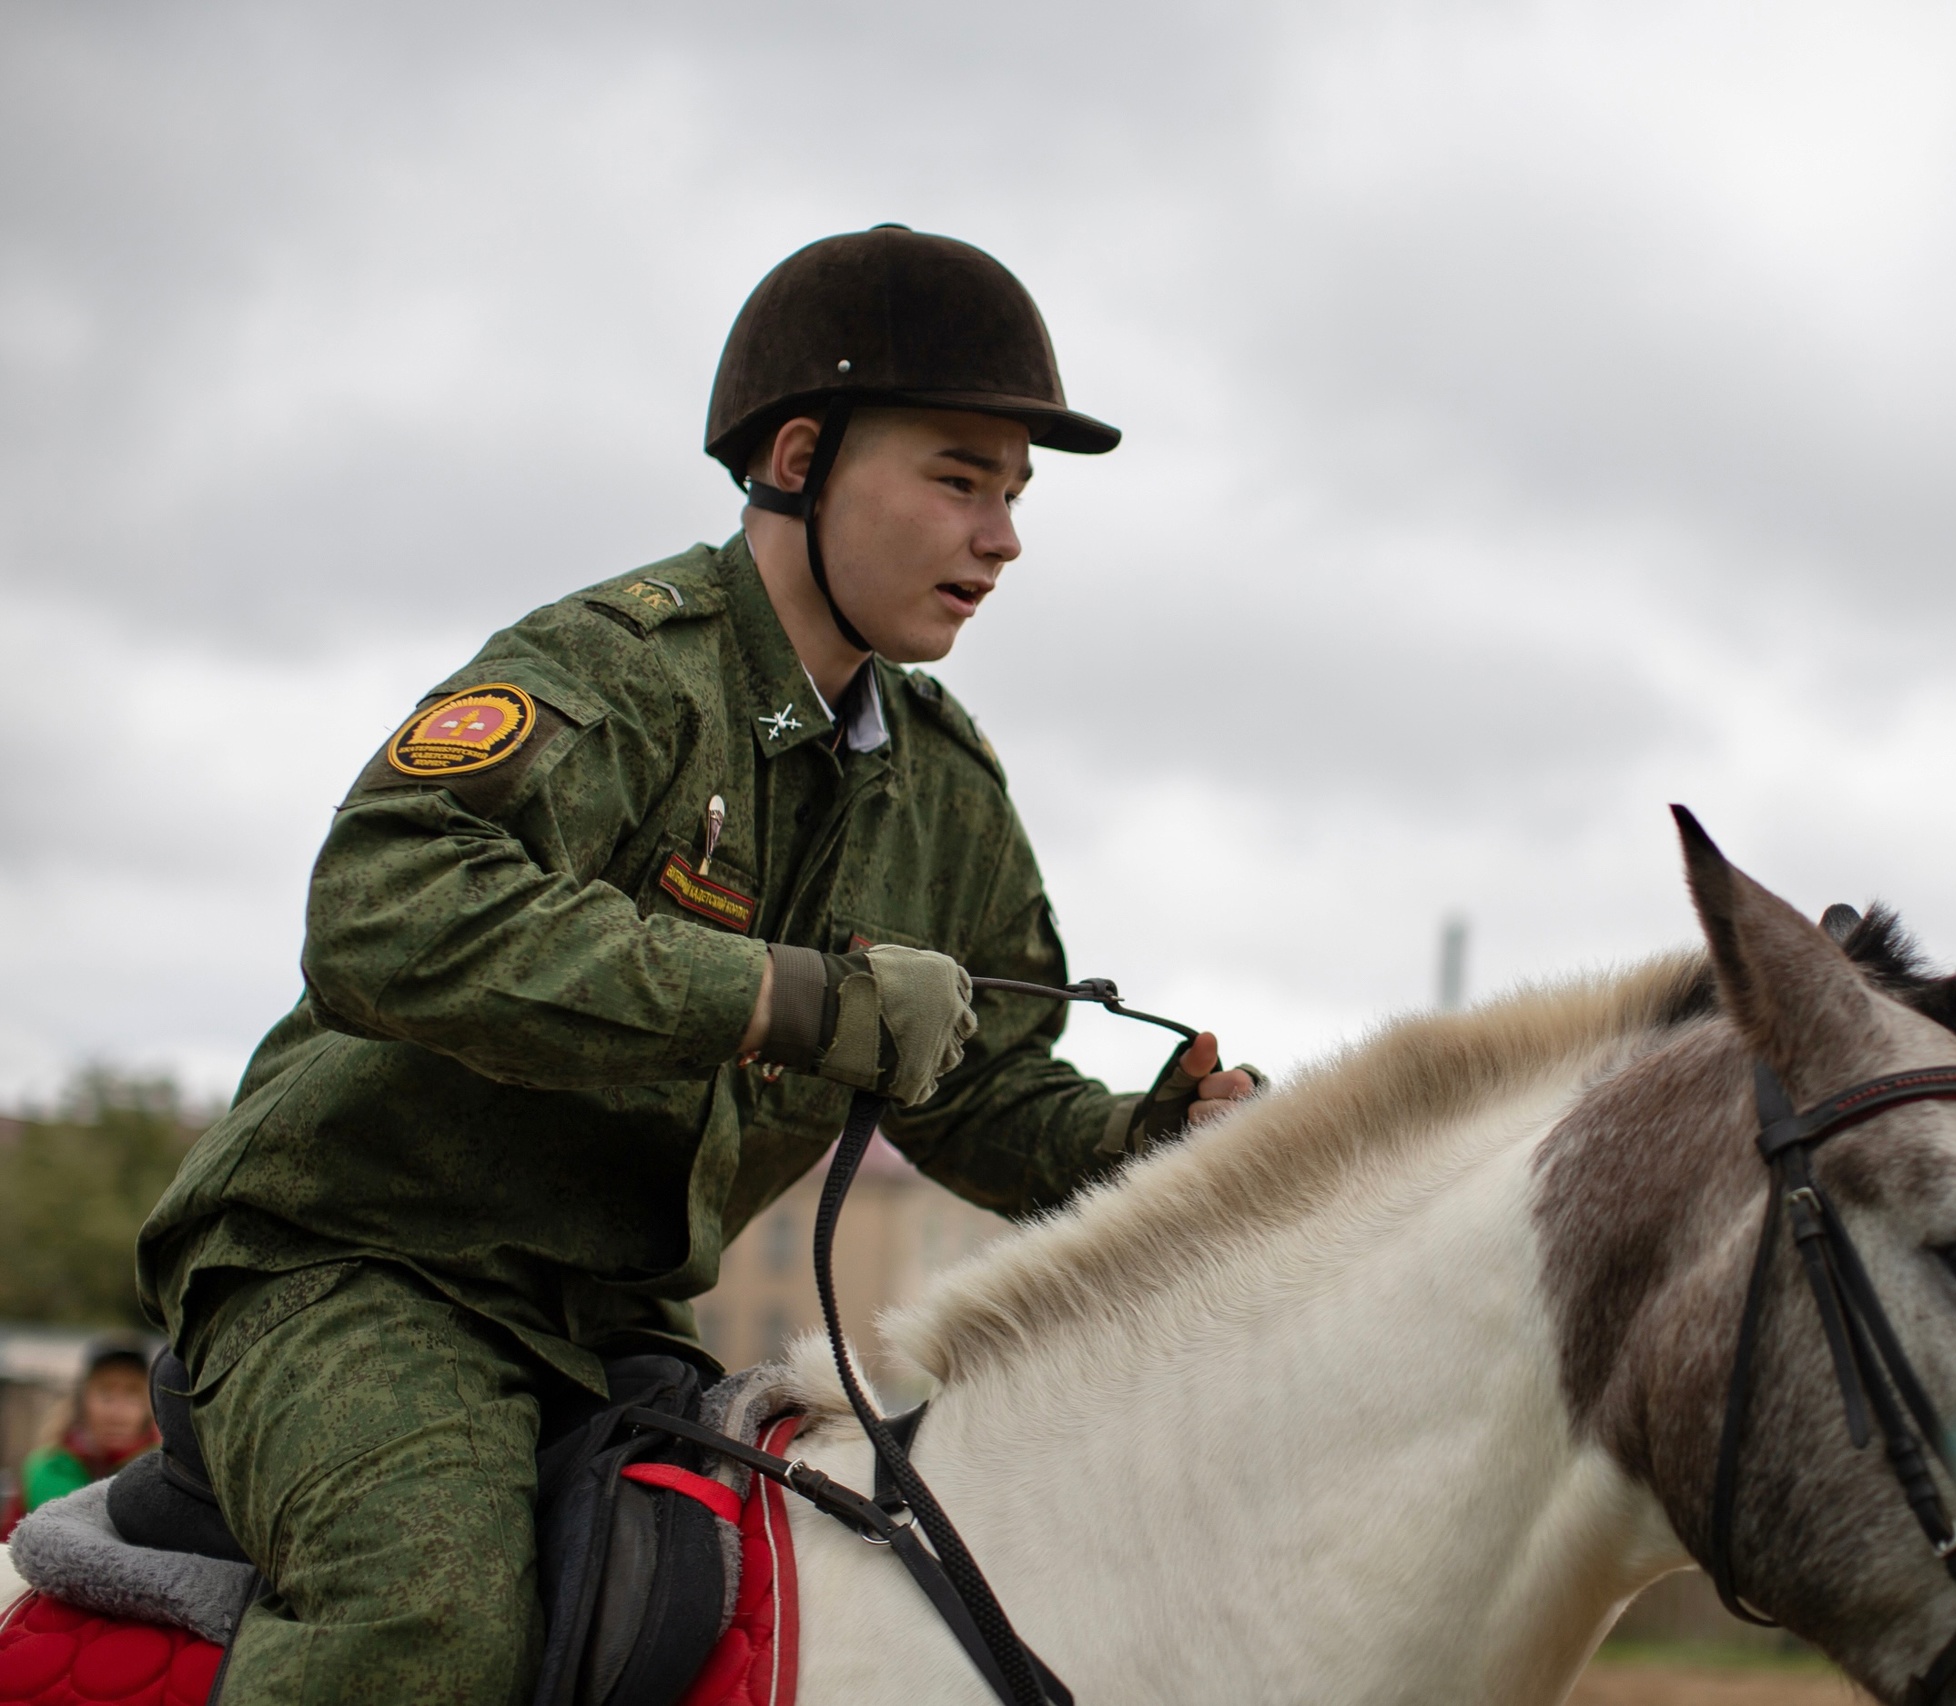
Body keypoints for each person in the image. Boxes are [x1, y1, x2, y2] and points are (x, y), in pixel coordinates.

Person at [135, 226, 1259, 1705]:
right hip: (353, 1269)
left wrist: (1156, 1143)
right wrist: (793, 997)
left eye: (1016, 494)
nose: (1003, 538)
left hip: (611, 1325)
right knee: (425, 1619)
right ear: (799, 456)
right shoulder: (619, 669)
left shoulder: (947, 787)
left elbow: (977, 1091)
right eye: (958, 478)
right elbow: (383, 906)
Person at [0, 1340, 159, 1538]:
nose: (117, 1412)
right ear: (83, 1399)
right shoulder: (42, 1470)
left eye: (132, 1394)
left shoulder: (167, 1477)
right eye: (105, 1393)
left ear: (149, 1405)